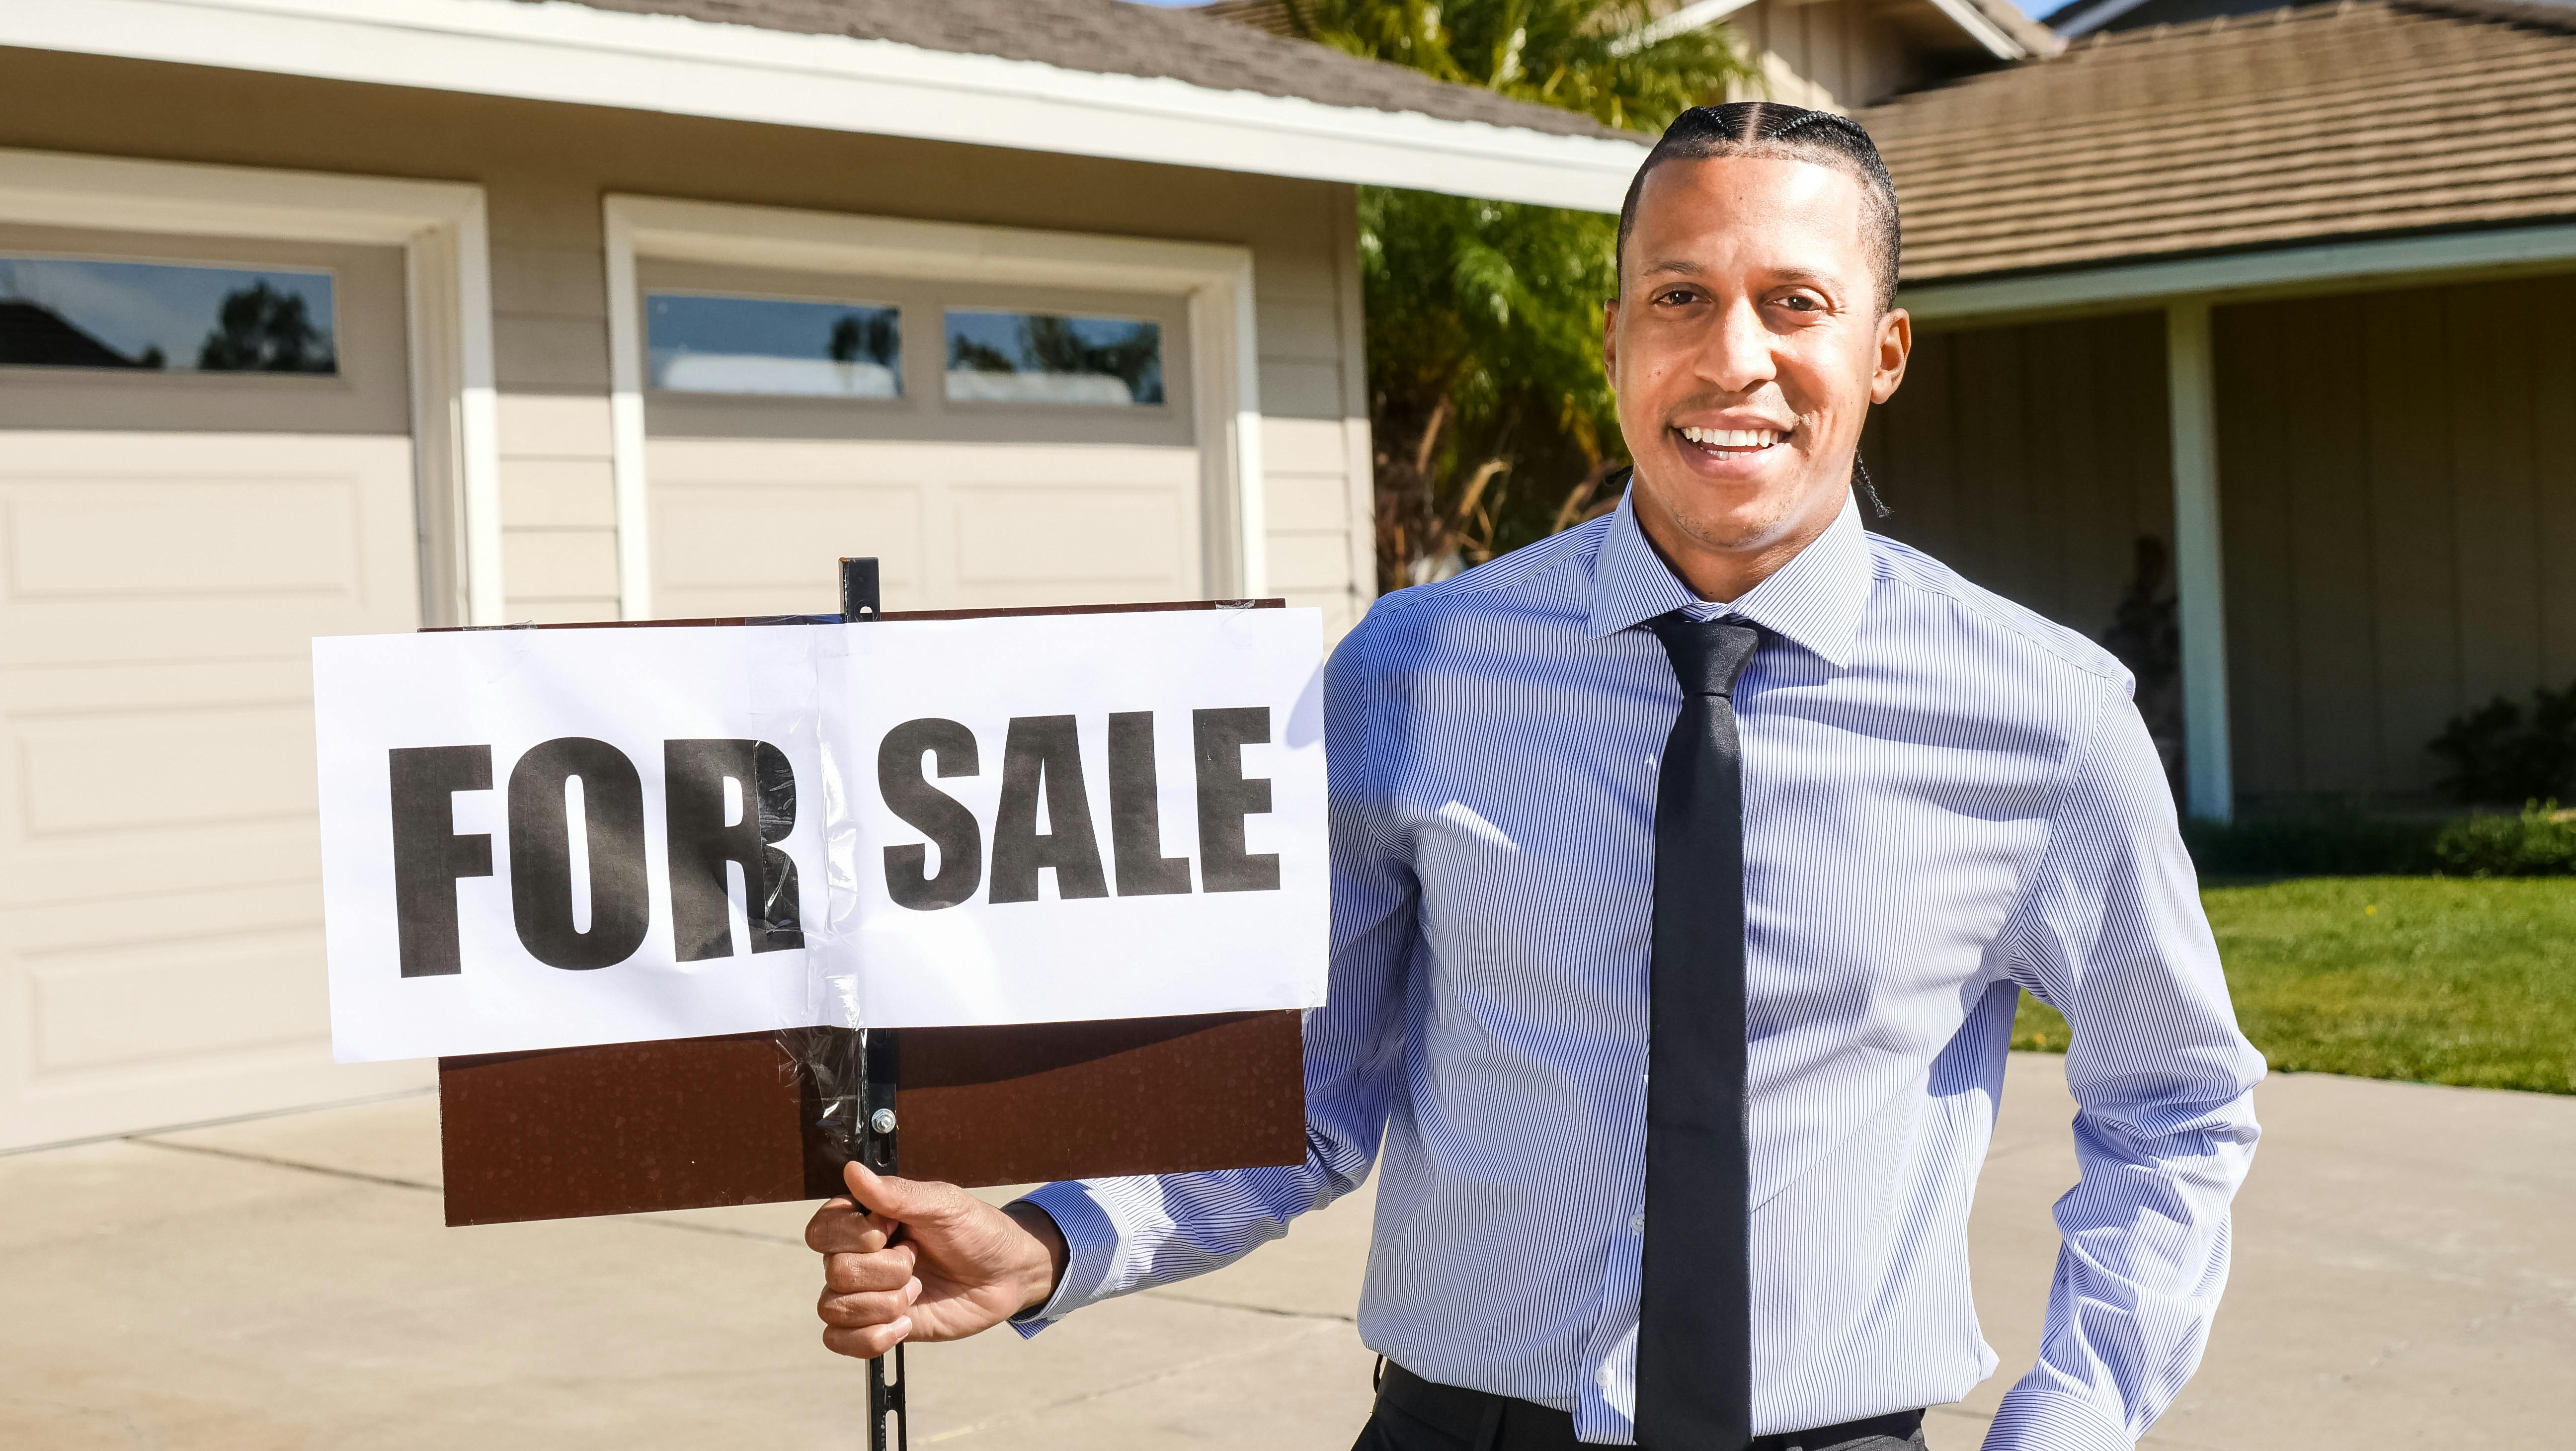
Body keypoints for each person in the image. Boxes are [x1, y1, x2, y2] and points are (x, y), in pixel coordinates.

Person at [803, 101, 2264, 1451]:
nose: (1733, 357)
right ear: (1616, 338)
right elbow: (1307, 1093)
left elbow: (2176, 1105)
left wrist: (2067, 1428)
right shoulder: (1414, 670)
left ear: (1882, 351)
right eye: (1680, 297)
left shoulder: (2045, 715)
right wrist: (1054, 1242)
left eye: (1795, 303)